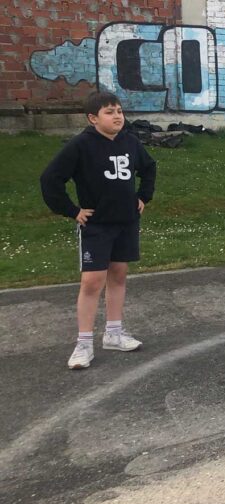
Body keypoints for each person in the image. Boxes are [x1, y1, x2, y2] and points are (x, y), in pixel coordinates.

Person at [40, 91, 156, 370]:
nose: (117, 116)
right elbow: (50, 179)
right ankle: (84, 342)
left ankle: (114, 333)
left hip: (126, 221)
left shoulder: (130, 142)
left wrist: (143, 197)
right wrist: (72, 210)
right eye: (109, 112)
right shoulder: (81, 145)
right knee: (92, 281)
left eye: (119, 111)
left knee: (118, 274)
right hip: (97, 225)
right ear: (93, 118)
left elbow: (149, 167)